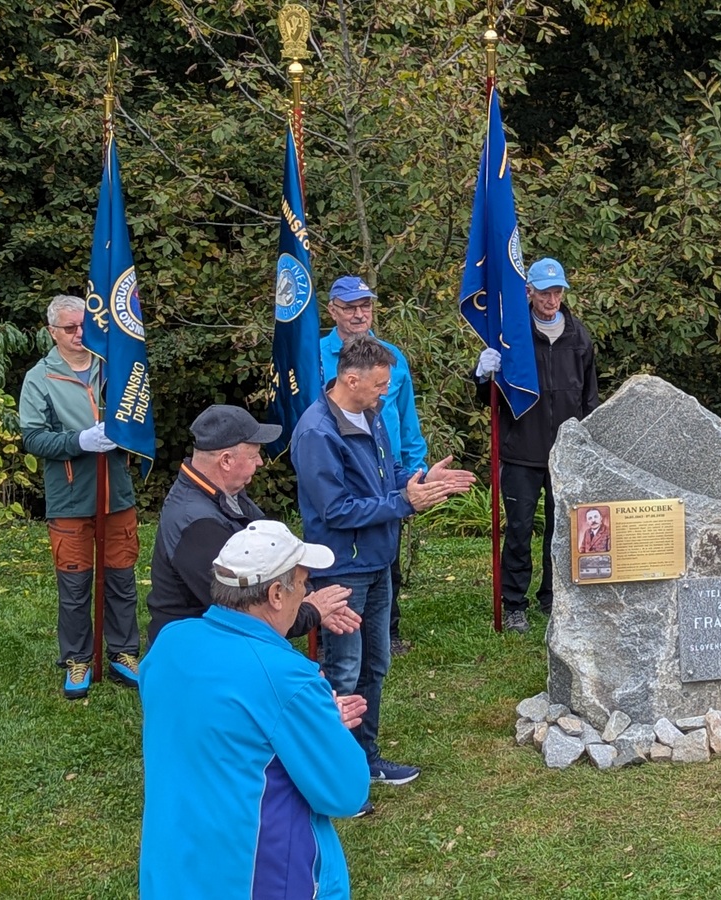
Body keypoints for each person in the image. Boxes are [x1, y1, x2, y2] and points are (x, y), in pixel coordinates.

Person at [139, 521, 369, 899]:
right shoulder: (287, 677)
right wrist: (323, 722)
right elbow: (346, 792)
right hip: (258, 877)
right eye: (303, 583)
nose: (306, 593)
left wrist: (309, 719)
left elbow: (221, 726)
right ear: (276, 594)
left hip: (174, 872)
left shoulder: (170, 643)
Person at [293, 335, 476, 799]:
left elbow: (386, 476)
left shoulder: (371, 415)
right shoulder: (317, 433)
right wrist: (404, 502)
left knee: (375, 664)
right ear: (350, 379)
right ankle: (332, 770)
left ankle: (365, 758)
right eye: (379, 384)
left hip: (378, 561)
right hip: (343, 569)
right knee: (343, 669)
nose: (385, 392)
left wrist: (420, 481)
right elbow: (335, 510)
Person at [145, 403, 360, 644]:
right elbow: (242, 609)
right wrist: (311, 611)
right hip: (197, 649)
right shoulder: (197, 524)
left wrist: (303, 595)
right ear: (226, 460)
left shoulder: (225, 492)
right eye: (253, 455)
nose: (260, 462)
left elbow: (274, 549)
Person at [17, 294, 141, 700]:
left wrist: (124, 434)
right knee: (74, 586)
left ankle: (123, 652)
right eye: (69, 327)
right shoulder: (40, 378)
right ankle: (77, 658)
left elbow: (139, 417)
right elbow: (34, 437)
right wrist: (80, 441)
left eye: (84, 325)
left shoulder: (113, 367)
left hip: (116, 493)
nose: (78, 333)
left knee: (121, 579)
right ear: (52, 332)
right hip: (70, 496)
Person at [473, 257, 601, 634]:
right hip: (521, 450)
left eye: (557, 292)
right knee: (519, 529)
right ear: (529, 291)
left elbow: (589, 398)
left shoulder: (579, 337)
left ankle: (553, 595)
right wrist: (483, 374)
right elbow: (489, 399)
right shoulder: (512, 336)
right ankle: (514, 603)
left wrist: (587, 445)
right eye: (544, 292)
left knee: (562, 530)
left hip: (565, 453)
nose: (551, 300)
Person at [321, 274, 428, 656]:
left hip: (388, 469)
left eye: (364, 305)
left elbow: (407, 419)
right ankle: (335, 634)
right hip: (341, 469)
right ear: (332, 310)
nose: (358, 314)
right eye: (349, 307)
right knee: (341, 555)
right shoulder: (314, 355)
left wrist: (418, 471)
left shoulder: (391, 357)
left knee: (386, 555)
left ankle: (386, 631)